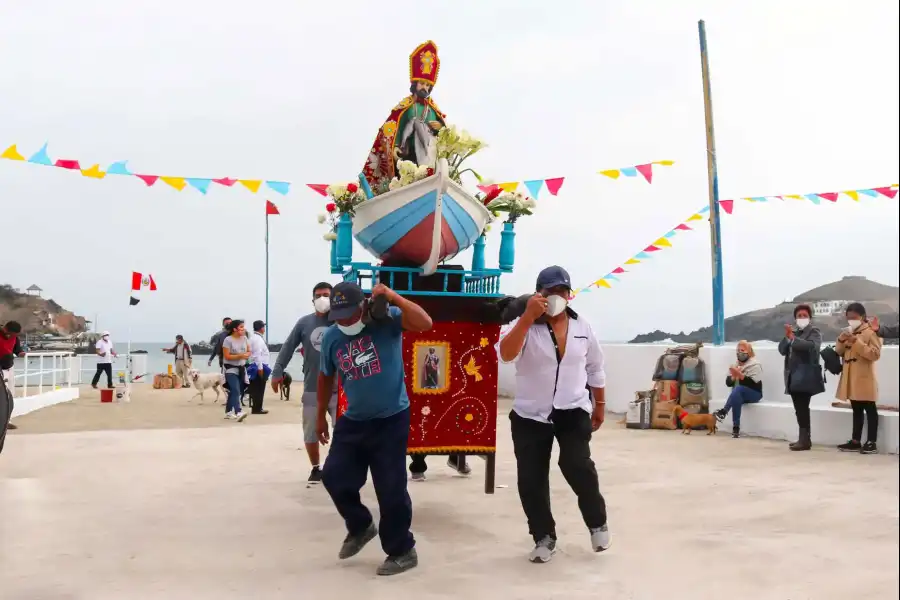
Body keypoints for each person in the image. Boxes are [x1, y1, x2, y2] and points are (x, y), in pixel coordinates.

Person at [317, 281, 433, 576]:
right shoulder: (332, 337)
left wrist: (393, 297)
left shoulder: (388, 320)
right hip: (353, 419)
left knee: (390, 488)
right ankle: (360, 525)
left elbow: (425, 322)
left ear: (364, 306)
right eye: (338, 316)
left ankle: (402, 550)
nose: (344, 321)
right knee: (333, 476)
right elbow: (325, 377)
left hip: (391, 418)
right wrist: (320, 414)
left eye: (349, 314)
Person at [497, 265, 610, 564]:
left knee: (577, 465)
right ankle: (544, 537)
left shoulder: (583, 327)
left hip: (572, 410)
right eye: (550, 292)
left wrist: (599, 405)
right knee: (531, 479)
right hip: (530, 415)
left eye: (561, 291)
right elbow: (506, 354)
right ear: (539, 295)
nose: (556, 297)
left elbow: (595, 367)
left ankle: (597, 522)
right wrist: (526, 318)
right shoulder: (522, 325)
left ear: (569, 294)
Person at [271, 282, 336, 484]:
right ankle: (316, 468)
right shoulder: (304, 323)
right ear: (312, 300)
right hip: (311, 388)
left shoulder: (342, 321)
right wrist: (277, 371)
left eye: (326, 294)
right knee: (310, 430)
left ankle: (339, 466)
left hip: (339, 389)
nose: (322, 298)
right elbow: (288, 347)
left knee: (343, 430)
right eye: (318, 295)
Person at [835, 302, 882, 454]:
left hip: (864, 377)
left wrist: (857, 342)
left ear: (862, 317)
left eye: (854, 317)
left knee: (870, 409)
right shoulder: (849, 332)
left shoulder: (870, 332)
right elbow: (840, 352)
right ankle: (855, 440)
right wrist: (841, 340)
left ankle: (871, 441)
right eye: (848, 318)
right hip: (851, 377)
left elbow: (874, 354)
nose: (851, 320)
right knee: (856, 409)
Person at [778, 304, 824, 451]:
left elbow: (812, 346)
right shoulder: (794, 332)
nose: (802, 318)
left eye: (804, 315)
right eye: (799, 316)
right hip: (793, 376)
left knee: (803, 407)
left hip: (806, 375)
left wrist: (794, 339)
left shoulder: (814, 332)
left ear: (810, 317)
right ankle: (803, 438)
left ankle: (805, 440)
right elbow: (782, 350)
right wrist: (787, 338)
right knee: (799, 408)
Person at [713, 340, 763, 438]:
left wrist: (740, 375)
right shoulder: (735, 365)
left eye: (742, 350)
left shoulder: (755, 364)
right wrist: (733, 376)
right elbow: (728, 383)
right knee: (736, 396)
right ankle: (736, 428)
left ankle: (724, 411)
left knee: (738, 390)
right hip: (739, 394)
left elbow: (754, 383)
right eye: (738, 350)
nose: (740, 352)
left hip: (754, 393)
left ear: (748, 351)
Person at [221, 320, 250, 422]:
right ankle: (238, 412)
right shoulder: (228, 340)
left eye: (243, 327)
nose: (243, 329)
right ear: (235, 329)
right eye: (241, 327)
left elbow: (249, 351)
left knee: (235, 391)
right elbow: (227, 356)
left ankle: (228, 412)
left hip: (241, 368)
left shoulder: (245, 338)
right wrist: (240, 355)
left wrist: (247, 355)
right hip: (230, 369)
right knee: (235, 390)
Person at [1, 321, 24, 434]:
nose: (12, 337)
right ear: (5, 329)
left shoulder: (15, 337)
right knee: (2, 396)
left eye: (15, 335)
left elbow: (17, 349)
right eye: (10, 333)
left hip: (9, 367)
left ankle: (6, 421)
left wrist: (20, 352)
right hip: (0, 368)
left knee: (10, 396)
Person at [247, 320, 270, 415]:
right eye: (263, 327)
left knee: (257, 387)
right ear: (261, 328)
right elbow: (257, 354)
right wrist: (260, 368)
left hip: (257, 365)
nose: (264, 329)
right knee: (259, 388)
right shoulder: (257, 339)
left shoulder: (254, 338)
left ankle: (257, 407)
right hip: (259, 366)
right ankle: (257, 408)